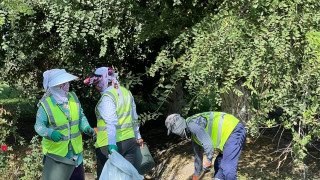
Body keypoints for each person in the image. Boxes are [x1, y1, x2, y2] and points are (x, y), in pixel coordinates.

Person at [35, 69, 96, 180]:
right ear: (54, 86)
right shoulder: (45, 105)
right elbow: (38, 126)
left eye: (67, 82)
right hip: (56, 157)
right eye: (62, 83)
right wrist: (50, 133)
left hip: (75, 155)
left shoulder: (73, 98)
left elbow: (81, 117)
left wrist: (87, 128)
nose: (66, 86)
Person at [84, 67, 144, 179]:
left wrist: (112, 144)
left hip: (109, 145)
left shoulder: (107, 98)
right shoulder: (127, 93)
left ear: (105, 80)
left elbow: (111, 122)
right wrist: (138, 136)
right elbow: (134, 116)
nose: (96, 86)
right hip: (130, 142)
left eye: (97, 83)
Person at [165, 112, 246, 180]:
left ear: (176, 127)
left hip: (234, 130)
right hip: (227, 137)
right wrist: (197, 174)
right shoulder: (192, 133)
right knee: (218, 165)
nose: (174, 133)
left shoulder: (192, 125)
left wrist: (208, 161)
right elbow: (198, 154)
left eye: (172, 130)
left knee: (227, 167)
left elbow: (208, 144)